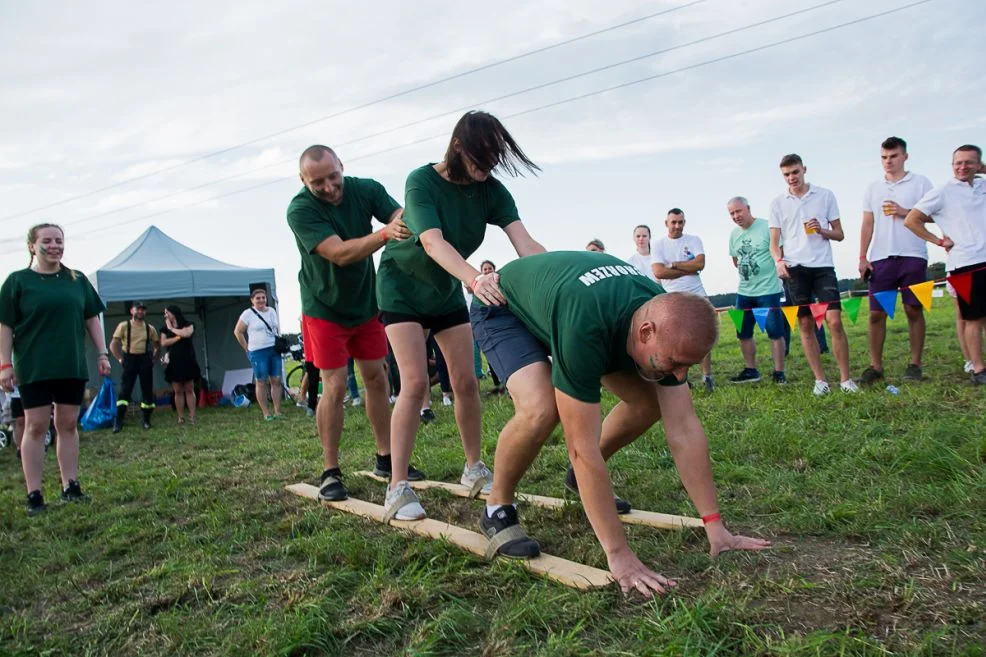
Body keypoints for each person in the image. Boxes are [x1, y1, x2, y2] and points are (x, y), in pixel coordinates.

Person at [470, 251, 771, 595]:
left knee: (646, 403)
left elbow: (684, 429)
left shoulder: (663, 323)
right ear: (645, 332)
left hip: (570, 307)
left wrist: (715, 525)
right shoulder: (586, 325)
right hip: (503, 308)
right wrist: (619, 554)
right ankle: (497, 507)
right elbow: (580, 446)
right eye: (675, 363)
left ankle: (577, 481)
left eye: (689, 365)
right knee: (541, 408)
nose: (680, 375)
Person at [377, 110, 547, 521]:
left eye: (492, 163)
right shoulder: (422, 181)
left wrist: (556, 277)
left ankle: (474, 468)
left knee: (466, 381)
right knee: (415, 382)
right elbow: (433, 243)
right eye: (479, 161)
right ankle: (397, 486)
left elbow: (524, 241)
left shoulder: (490, 188)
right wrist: (476, 279)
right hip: (401, 288)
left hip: (445, 290)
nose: (485, 171)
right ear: (457, 148)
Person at [286, 144, 419, 502]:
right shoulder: (300, 210)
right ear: (303, 181)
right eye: (317, 183)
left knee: (377, 377)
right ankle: (330, 471)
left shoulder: (366, 189)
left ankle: (385, 458)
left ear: (341, 166)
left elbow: (403, 216)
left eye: (333, 177)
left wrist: (412, 222)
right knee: (336, 385)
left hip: (366, 303)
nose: (329, 187)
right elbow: (341, 254)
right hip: (323, 308)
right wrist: (386, 234)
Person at [0, 223, 111, 516]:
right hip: (34, 366)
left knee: (68, 424)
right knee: (36, 425)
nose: (54, 246)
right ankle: (34, 494)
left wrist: (102, 353)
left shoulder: (76, 280)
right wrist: (5, 365)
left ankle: (70, 486)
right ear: (31, 246)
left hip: (70, 364)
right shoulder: (17, 282)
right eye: (46, 241)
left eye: (59, 241)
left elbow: (92, 319)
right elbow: (5, 326)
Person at [769, 154, 858, 395]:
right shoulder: (778, 203)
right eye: (786, 175)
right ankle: (820, 381)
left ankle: (845, 380)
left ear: (804, 170)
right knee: (806, 323)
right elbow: (774, 243)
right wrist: (778, 261)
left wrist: (823, 230)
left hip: (822, 266)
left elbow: (840, 234)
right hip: (795, 268)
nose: (791, 178)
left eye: (795, 172)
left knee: (835, 321)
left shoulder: (825, 195)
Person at [905, 144, 986, 384]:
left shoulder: (982, 185)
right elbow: (912, 220)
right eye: (958, 162)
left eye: (969, 162)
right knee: (972, 319)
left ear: (978, 165)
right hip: (965, 263)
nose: (963, 167)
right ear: (951, 165)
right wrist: (938, 240)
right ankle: (978, 369)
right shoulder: (943, 191)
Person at [858, 137, 934, 385]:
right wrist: (862, 256)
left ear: (905, 157)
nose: (888, 162)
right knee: (876, 314)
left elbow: (934, 215)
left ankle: (915, 365)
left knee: (913, 309)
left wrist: (905, 212)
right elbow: (867, 223)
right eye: (884, 157)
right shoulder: (873, 188)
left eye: (893, 156)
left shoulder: (921, 183)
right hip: (881, 258)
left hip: (913, 254)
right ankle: (875, 366)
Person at [651, 209, 715, 392]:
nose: (677, 226)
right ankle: (679, 379)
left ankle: (707, 376)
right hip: (671, 297)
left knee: (704, 334)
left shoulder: (694, 240)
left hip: (697, 294)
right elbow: (659, 272)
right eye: (673, 222)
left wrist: (673, 264)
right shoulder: (658, 244)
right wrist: (689, 269)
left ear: (684, 222)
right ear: (666, 223)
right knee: (673, 339)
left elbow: (700, 264)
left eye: (680, 222)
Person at [727, 197, 787, 384]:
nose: (736, 216)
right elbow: (736, 261)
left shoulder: (767, 227)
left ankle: (779, 373)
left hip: (768, 290)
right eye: (732, 213)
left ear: (748, 208)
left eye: (739, 211)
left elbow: (780, 252)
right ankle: (751, 370)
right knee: (743, 333)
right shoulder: (733, 235)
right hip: (744, 292)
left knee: (775, 332)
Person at [233, 289, 284, 421]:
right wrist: (246, 348)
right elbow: (238, 331)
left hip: (273, 349)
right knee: (261, 381)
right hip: (258, 351)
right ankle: (266, 413)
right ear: (252, 300)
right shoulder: (247, 314)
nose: (261, 300)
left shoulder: (272, 311)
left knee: (276, 380)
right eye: (258, 298)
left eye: (263, 298)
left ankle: (277, 410)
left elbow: (275, 328)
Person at [110, 300, 160, 431]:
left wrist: (153, 359)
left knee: (147, 391)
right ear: (131, 311)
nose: (140, 311)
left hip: (145, 359)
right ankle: (118, 422)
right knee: (125, 391)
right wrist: (120, 359)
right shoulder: (124, 326)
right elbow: (112, 345)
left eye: (143, 309)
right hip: (129, 359)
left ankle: (146, 421)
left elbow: (157, 346)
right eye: (137, 309)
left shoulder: (150, 328)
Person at [160, 305, 201, 425]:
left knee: (189, 388)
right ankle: (180, 417)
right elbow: (163, 342)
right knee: (177, 390)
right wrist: (178, 337)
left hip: (187, 359)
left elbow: (187, 333)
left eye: (167, 312)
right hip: (174, 361)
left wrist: (172, 329)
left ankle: (192, 416)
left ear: (174, 313)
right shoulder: (164, 329)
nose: (165, 315)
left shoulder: (188, 324)